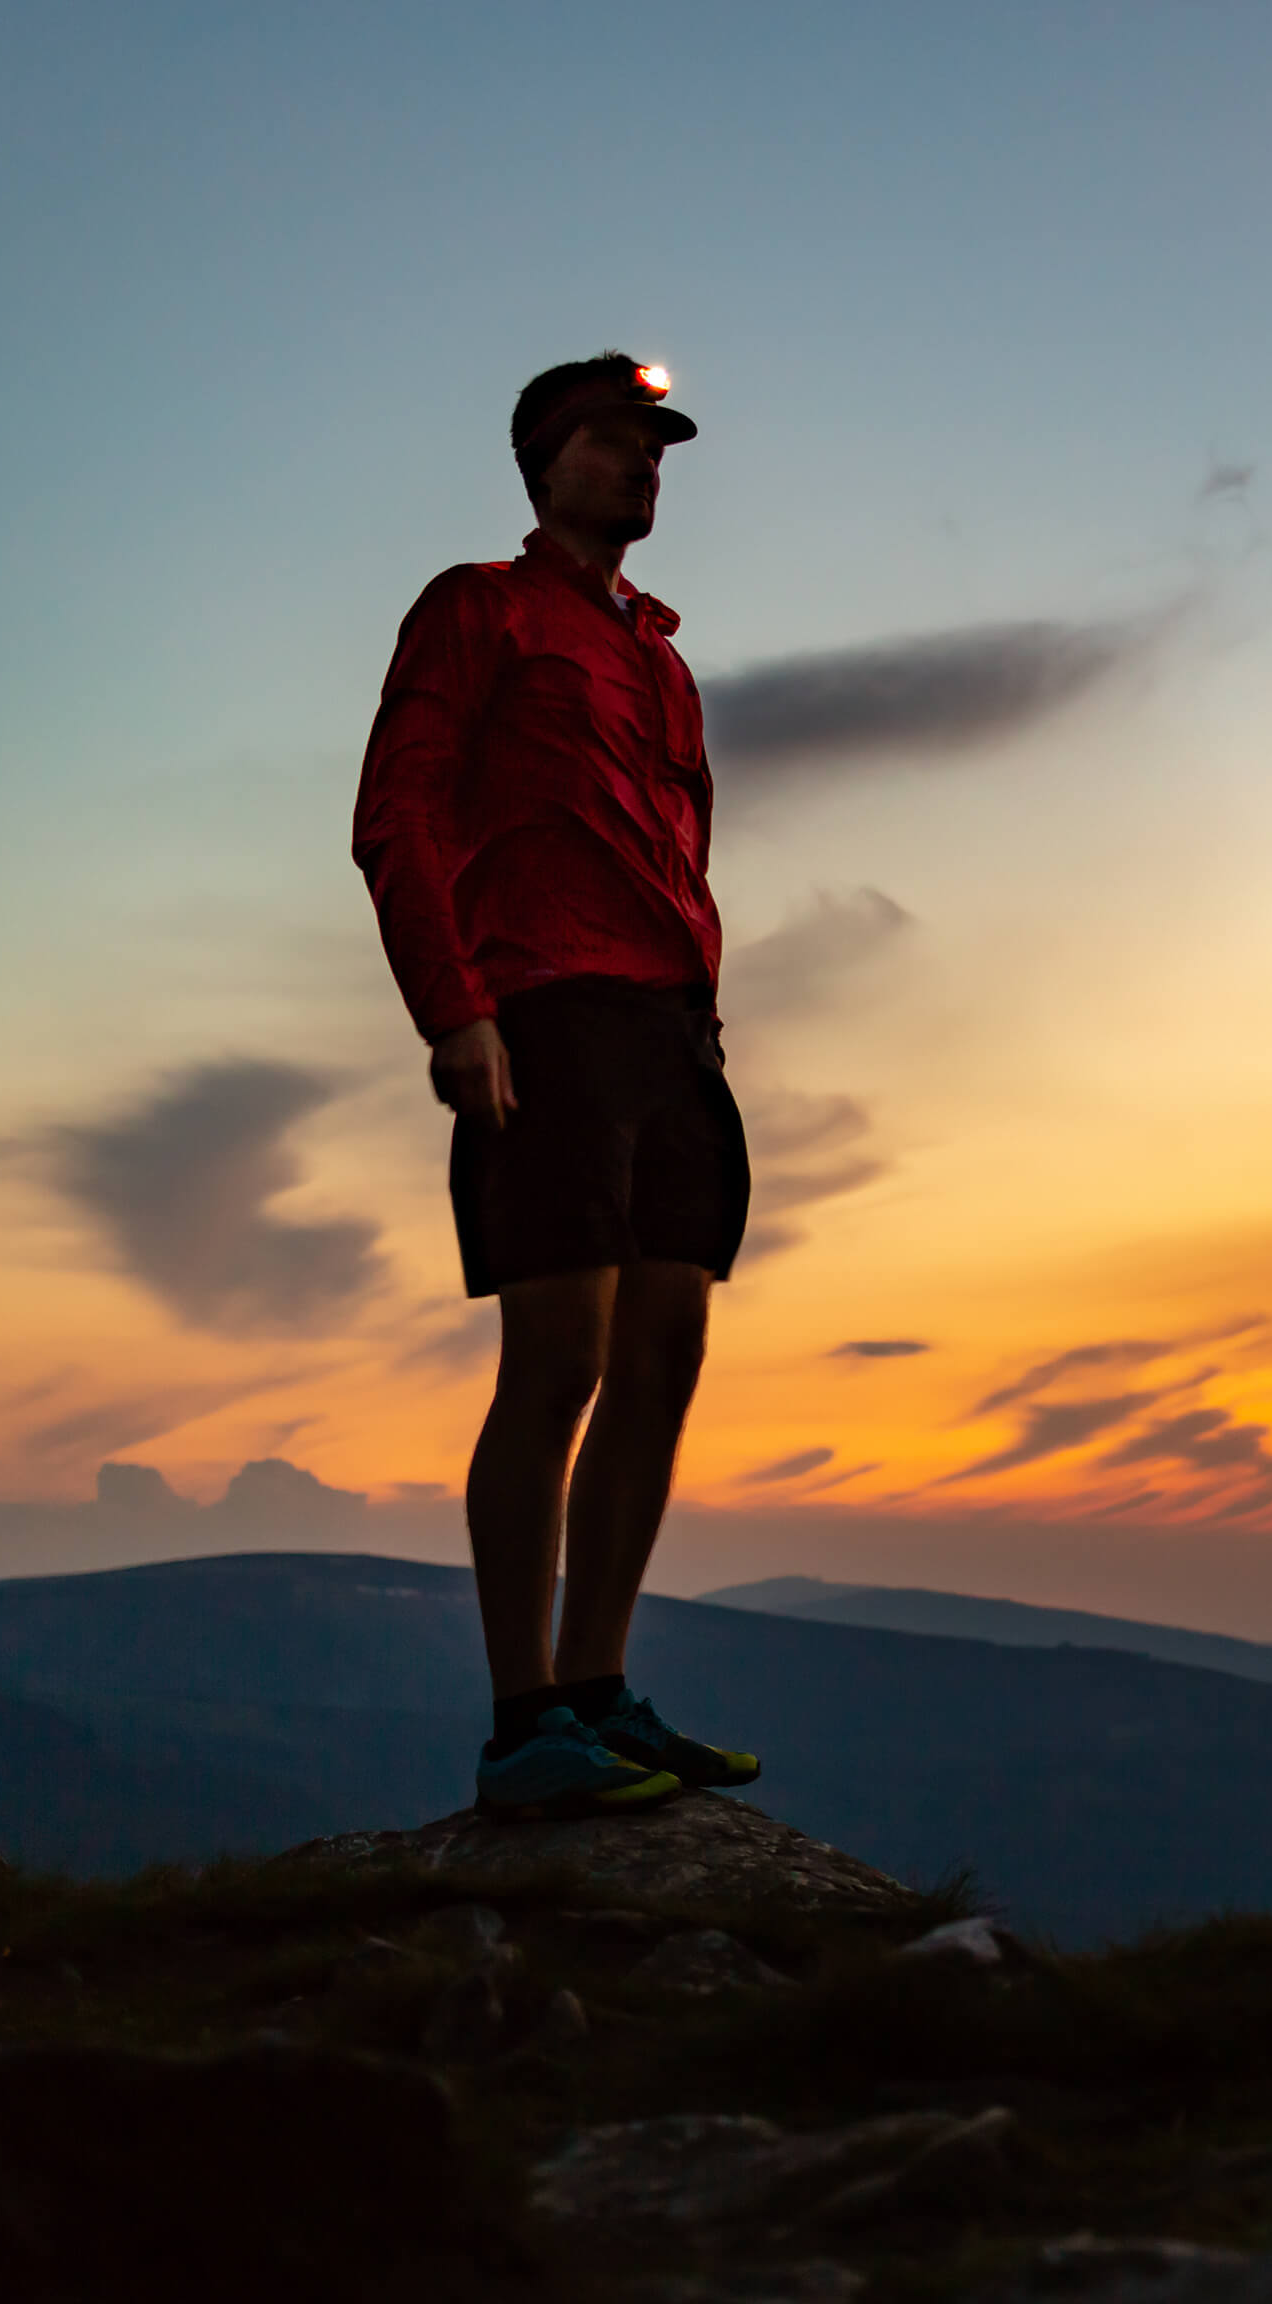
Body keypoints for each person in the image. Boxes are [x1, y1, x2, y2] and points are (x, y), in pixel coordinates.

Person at [352, 352, 762, 1819]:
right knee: (563, 1360)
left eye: (655, 447)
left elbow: (685, 846)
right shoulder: (478, 610)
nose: (641, 464)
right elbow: (395, 811)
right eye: (610, 440)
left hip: (670, 1030)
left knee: (666, 1353)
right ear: (543, 462)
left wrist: (701, 1010)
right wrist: (457, 1011)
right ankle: (525, 1722)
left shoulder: (660, 656)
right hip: (546, 1011)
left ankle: (597, 1691)